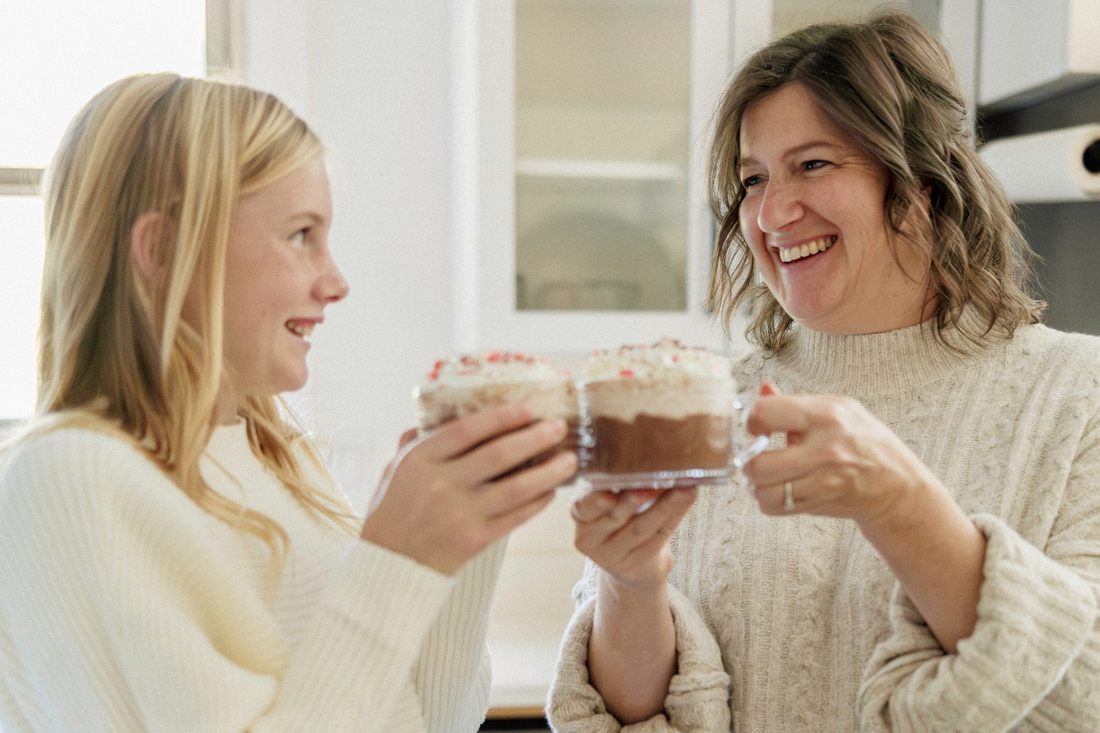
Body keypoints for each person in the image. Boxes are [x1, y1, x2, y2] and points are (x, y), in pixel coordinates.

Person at [548, 12, 1100, 732]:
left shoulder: (1077, 395)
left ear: (926, 180)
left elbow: (1082, 695)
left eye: (814, 164)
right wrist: (629, 581)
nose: (773, 212)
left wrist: (900, 503)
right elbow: (627, 715)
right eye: (752, 178)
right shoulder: (703, 409)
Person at [0, 73, 577, 733]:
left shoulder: (278, 457)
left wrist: (464, 538)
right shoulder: (73, 478)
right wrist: (398, 558)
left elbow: (430, 719)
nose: (336, 282)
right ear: (162, 250)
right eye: (301, 234)